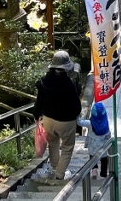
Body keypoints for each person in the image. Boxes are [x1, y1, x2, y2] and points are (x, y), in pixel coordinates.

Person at [33, 50, 82, 180]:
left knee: (53, 144)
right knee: (67, 147)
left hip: (48, 120)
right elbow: (76, 105)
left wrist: (37, 115)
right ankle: (60, 175)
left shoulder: (44, 81)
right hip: (66, 122)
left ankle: (55, 167)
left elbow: (39, 101)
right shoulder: (69, 84)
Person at [77, 102, 112, 179]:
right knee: (104, 161)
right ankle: (103, 174)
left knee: (92, 159)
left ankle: (94, 170)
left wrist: (78, 115)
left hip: (92, 147)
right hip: (103, 148)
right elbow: (108, 135)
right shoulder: (105, 124)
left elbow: (79, 122)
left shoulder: (90, 123)